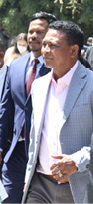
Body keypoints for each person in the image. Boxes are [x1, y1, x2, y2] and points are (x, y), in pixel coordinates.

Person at [22, 20, 92, 204]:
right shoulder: (39, 85)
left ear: (73, 51)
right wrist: (28, 176)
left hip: (79, 187)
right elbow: (35, 136)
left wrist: (78, 160)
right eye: (45, 44)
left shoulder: (90, 84)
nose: (45, 50)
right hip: (39, 185)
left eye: (53, 46)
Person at [0, 11, 56, 203]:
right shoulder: (15, 66)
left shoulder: (59, 68)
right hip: (15, 150)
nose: (33, 36)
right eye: (31, 31)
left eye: (40, 32)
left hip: (45, 152)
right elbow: (6, 109)